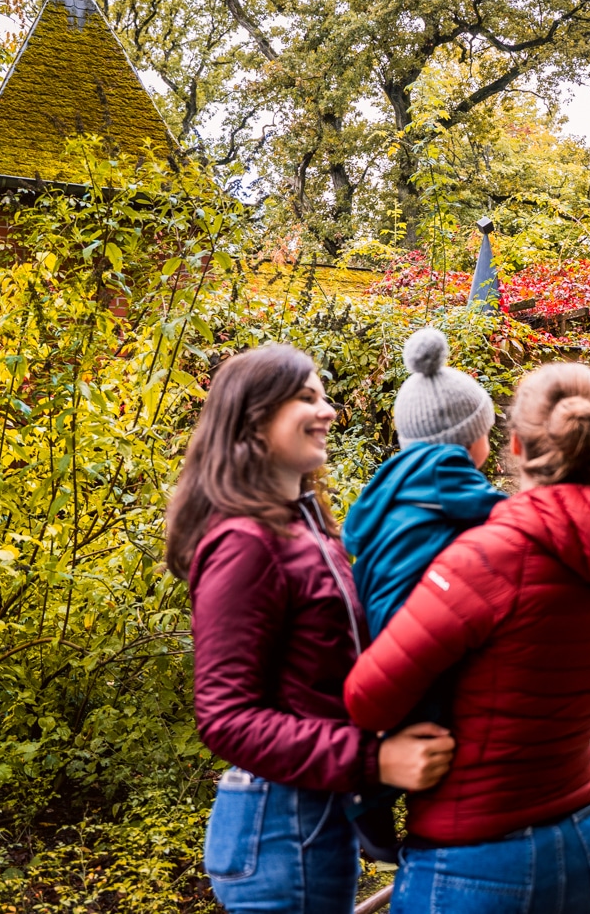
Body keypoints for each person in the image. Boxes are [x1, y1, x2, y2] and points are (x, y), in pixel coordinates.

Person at [344, 362, 590, 914]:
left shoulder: (490, 556)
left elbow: (369, 695)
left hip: (474, 859)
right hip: (579, 839)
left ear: (513, 443)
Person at [164, 344, 456, 914]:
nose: (327, 412)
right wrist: (375, 760)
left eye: (324, 397)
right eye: (306, 398)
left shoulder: (307, 528)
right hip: (277, 828)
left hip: (315, 816)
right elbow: (226, 717)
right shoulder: (244, 543)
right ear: (253, 417)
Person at [339, 327, 509, 861]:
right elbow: (509, 522)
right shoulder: (452, 482)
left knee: (404, 713)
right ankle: (369, 798)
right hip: (411, 619)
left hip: (376, 624)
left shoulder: (391, 487)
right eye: (487, 429)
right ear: (469, 438)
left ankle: (370, 809)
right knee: (431, 717)